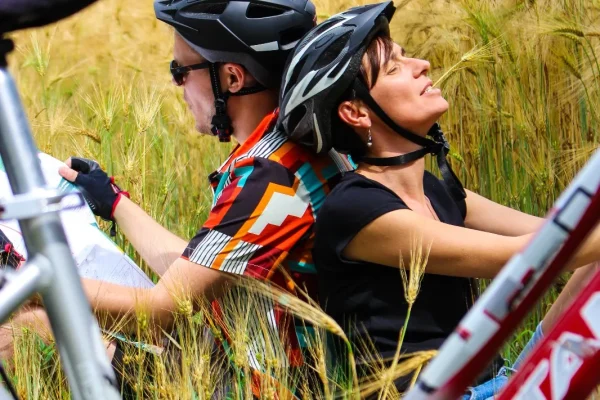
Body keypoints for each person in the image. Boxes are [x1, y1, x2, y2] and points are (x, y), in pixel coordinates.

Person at [2, 0, 352, 395]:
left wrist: (35, 281)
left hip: (271, 385)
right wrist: (115, 201)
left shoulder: (270, 178)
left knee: (33, 328)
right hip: (254, 356)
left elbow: (161, 312)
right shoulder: (289, 149)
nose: (176, 84)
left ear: (233, 78)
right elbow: (201, 268)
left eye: (180, 71)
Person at [277, 2, 600, 398]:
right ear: (355, 112)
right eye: (395, 68)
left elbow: (561, 232)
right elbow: (524, 258)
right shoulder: (355, 209)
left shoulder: (437, 189)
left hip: (496, 383)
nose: (423, 64)